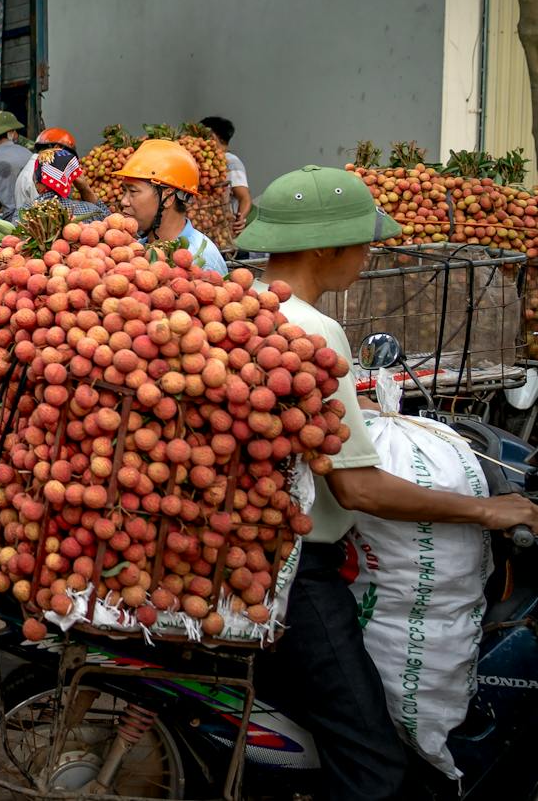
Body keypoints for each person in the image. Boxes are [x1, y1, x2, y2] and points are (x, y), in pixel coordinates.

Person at [235, 165, 538, 801]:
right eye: (362, 241)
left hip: (249, 559)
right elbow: (360, 491)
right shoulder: (317, 331)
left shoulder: (244, 302)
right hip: (300, 576)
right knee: (374, 768)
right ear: (326, 247)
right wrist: (486, 512)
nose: (369, 254)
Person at [115, 137, 227, 274]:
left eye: (133, 191)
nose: (123, 201)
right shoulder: (138, 248)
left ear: (167, 198)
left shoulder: (201, 262)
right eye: (124, 191)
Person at [200, 115, 253, 231]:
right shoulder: (206, 161)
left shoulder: (230, 161)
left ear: (213, 136)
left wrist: (240, 219)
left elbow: (244, 197)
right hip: (205, 225)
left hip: (221, 229)